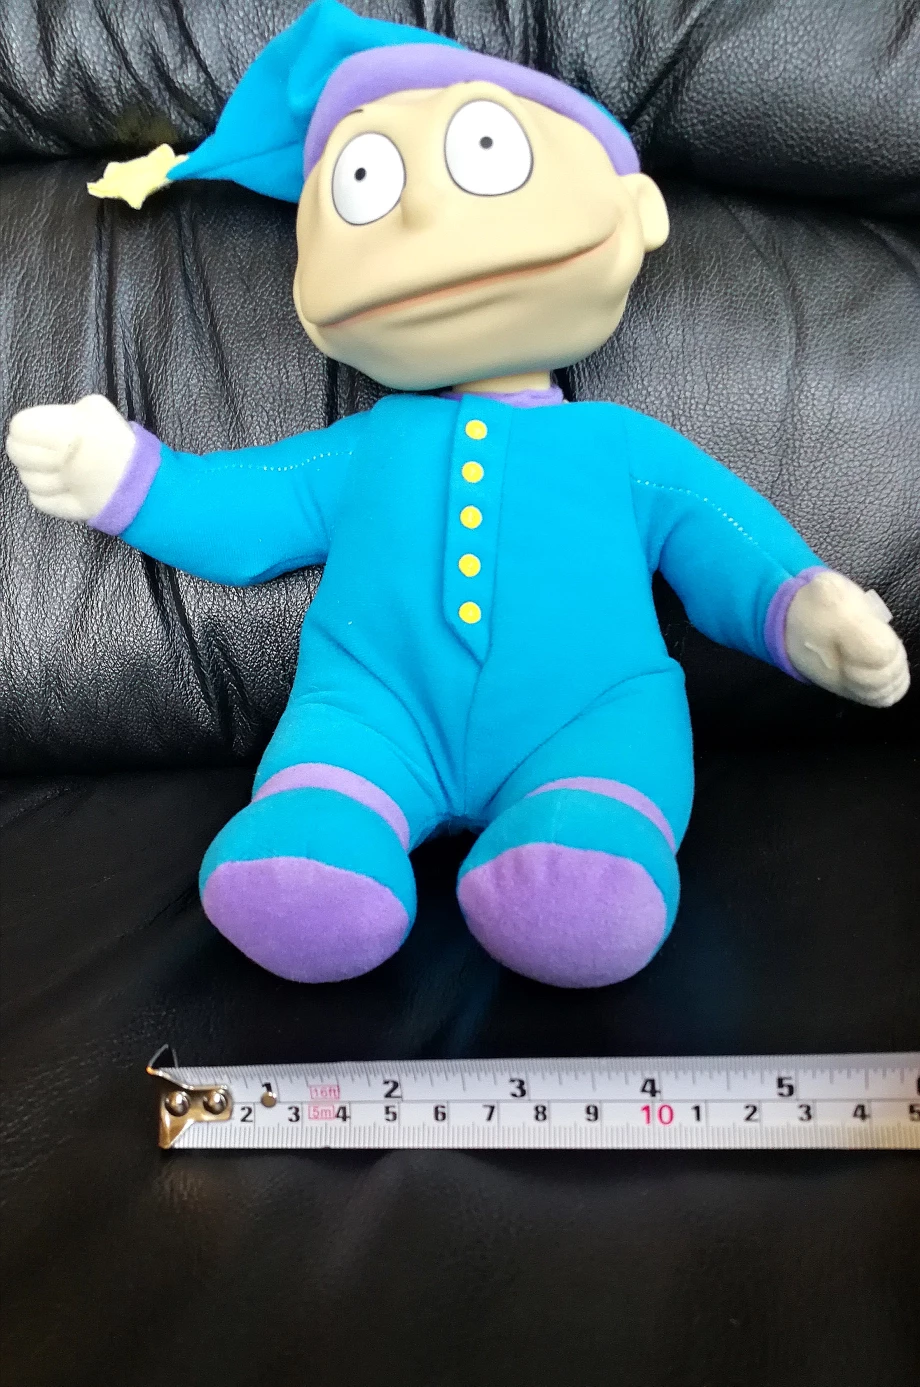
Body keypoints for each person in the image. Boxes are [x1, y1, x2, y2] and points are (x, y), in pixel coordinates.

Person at [5, 0, 909, 987]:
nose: (422, 217)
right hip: (370, 712)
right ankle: (325, 833)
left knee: (594, 855)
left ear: (637, 212)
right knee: (312, 830)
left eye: (485, 153)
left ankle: (586, 841)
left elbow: (720, 537)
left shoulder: (621, 447)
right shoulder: (365, 447)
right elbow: (245, 510)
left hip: (590, 718)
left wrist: (799, 607)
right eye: (366, 183)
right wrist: (125, 476)